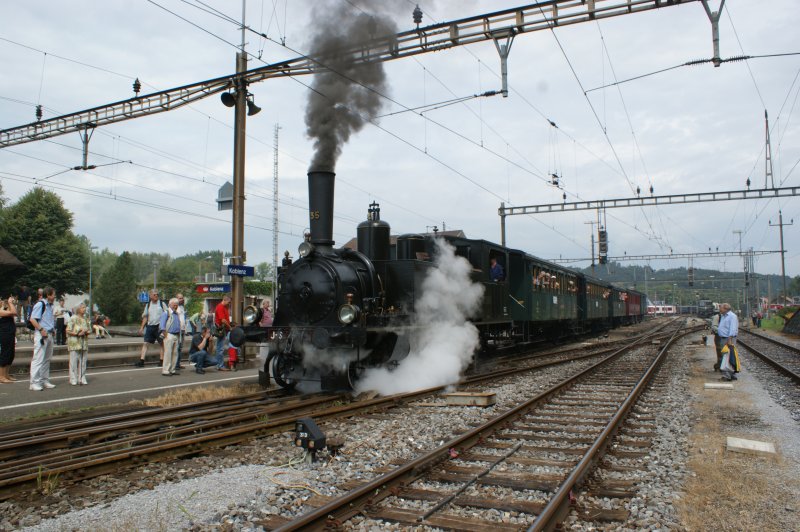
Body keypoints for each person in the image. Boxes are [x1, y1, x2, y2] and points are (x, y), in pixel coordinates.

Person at [29, 287, 57, 391]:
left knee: (46, 359)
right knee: (38, 358)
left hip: (49, 334)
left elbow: (48, 319)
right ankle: (34, 382)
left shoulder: (50, 306)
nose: (54, 296)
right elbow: (32, 319)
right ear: (48, 295)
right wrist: (41, 329)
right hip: (42, 334)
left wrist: (52, 328)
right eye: (53, 294)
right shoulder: (40, 304)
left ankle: (44, 380)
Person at [135, 289, 166, 367]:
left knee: (162, 343)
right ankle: (141, 361)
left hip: (159, 327)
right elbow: (145, 317)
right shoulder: (148, 305)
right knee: (145, 343)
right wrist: (142, 328)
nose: (156, 296)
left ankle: (161, 361)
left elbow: (167, 315)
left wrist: (163, 326)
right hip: (150, 327)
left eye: (157, 294)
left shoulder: (162, 304)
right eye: (154, 294)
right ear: (150, 296)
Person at [66, 303, 91, 385]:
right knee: (73, 361)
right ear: (78, 309)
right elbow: (68, 330)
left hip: (84, 342)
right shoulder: (73, 318)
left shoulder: (86, 319)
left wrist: (86, 332)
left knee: (83, 361)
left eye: (85, 307)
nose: (84, 309)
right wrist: (77, 333)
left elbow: (89, 329)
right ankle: (73, 378)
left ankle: (82, 377)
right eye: (83, 307)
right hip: (74, 342)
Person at [159, 298, 182, 376]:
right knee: (168, 353)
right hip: (169, 334)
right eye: (174, 304)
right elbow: (162, 325)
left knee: (175, 353)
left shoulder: (176, 313)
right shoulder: (166, 313)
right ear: (170, 304)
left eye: (177, 305)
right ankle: (165, 370)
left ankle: (172, 369)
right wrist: (165, 335)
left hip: (176, 335)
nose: (176, 306)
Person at [717, 302, 739, 382]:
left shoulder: (732, 316)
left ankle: (726, 376)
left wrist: (729, 339)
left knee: (726, 357)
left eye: (721, 308)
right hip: (724, 338)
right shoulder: (724, 316)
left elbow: (733, 328)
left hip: (728, 339)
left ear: (725, 309)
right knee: (729, 356)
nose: (719, 309)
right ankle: (732, 374)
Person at [0, 295, 18, 383]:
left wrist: (10, 304)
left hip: (10, 334)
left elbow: (14, 312)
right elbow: (14, 312)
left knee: (11, 354)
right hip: (4, 334)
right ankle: (1, 376)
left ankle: (6, 374)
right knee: (5, 354)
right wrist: (10, 303)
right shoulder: (1, 311)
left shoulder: (5, 310)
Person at [213, 295, 233, 371]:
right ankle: (220, 365)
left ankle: (219, 364)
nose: (229, 303)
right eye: (229, 302)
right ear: (225, 300)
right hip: (222, 329)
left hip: (223, 329)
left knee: (220, 347)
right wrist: (229, 327)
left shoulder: (223, 307)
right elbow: (222, 320)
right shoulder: (220, 307)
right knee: (220, 348)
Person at [174, 293, 187, 370]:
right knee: (177, 347)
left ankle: (178, 363)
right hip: (177, 330)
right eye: (180, 298)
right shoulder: (175, 307)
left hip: (182, 330)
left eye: (182, 298)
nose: (182, 299)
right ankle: (175, 364)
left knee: (180, 348)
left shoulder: (182, 307)